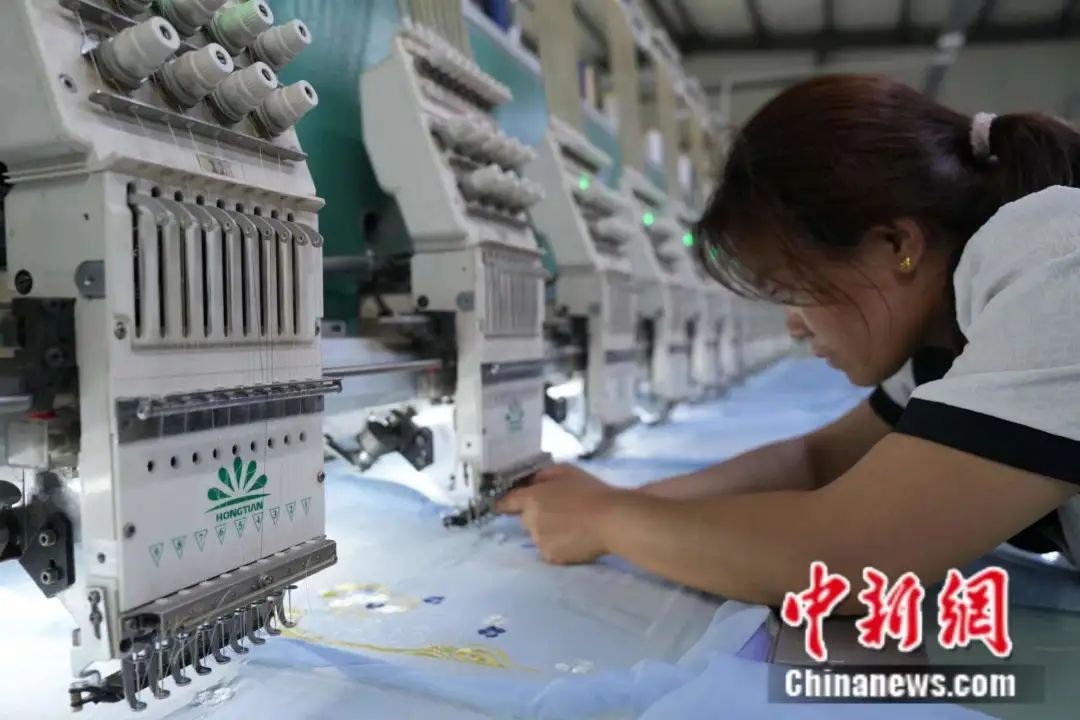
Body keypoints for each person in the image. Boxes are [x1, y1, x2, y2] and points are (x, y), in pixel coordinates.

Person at [497, 75, 1080, 610]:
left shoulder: (1053, 264)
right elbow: (811, 462)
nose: (794, 326)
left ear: (896, 245)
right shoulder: (946, 333)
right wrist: (625, 503)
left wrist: (607, 522)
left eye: (794, 291)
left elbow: (846, 560)